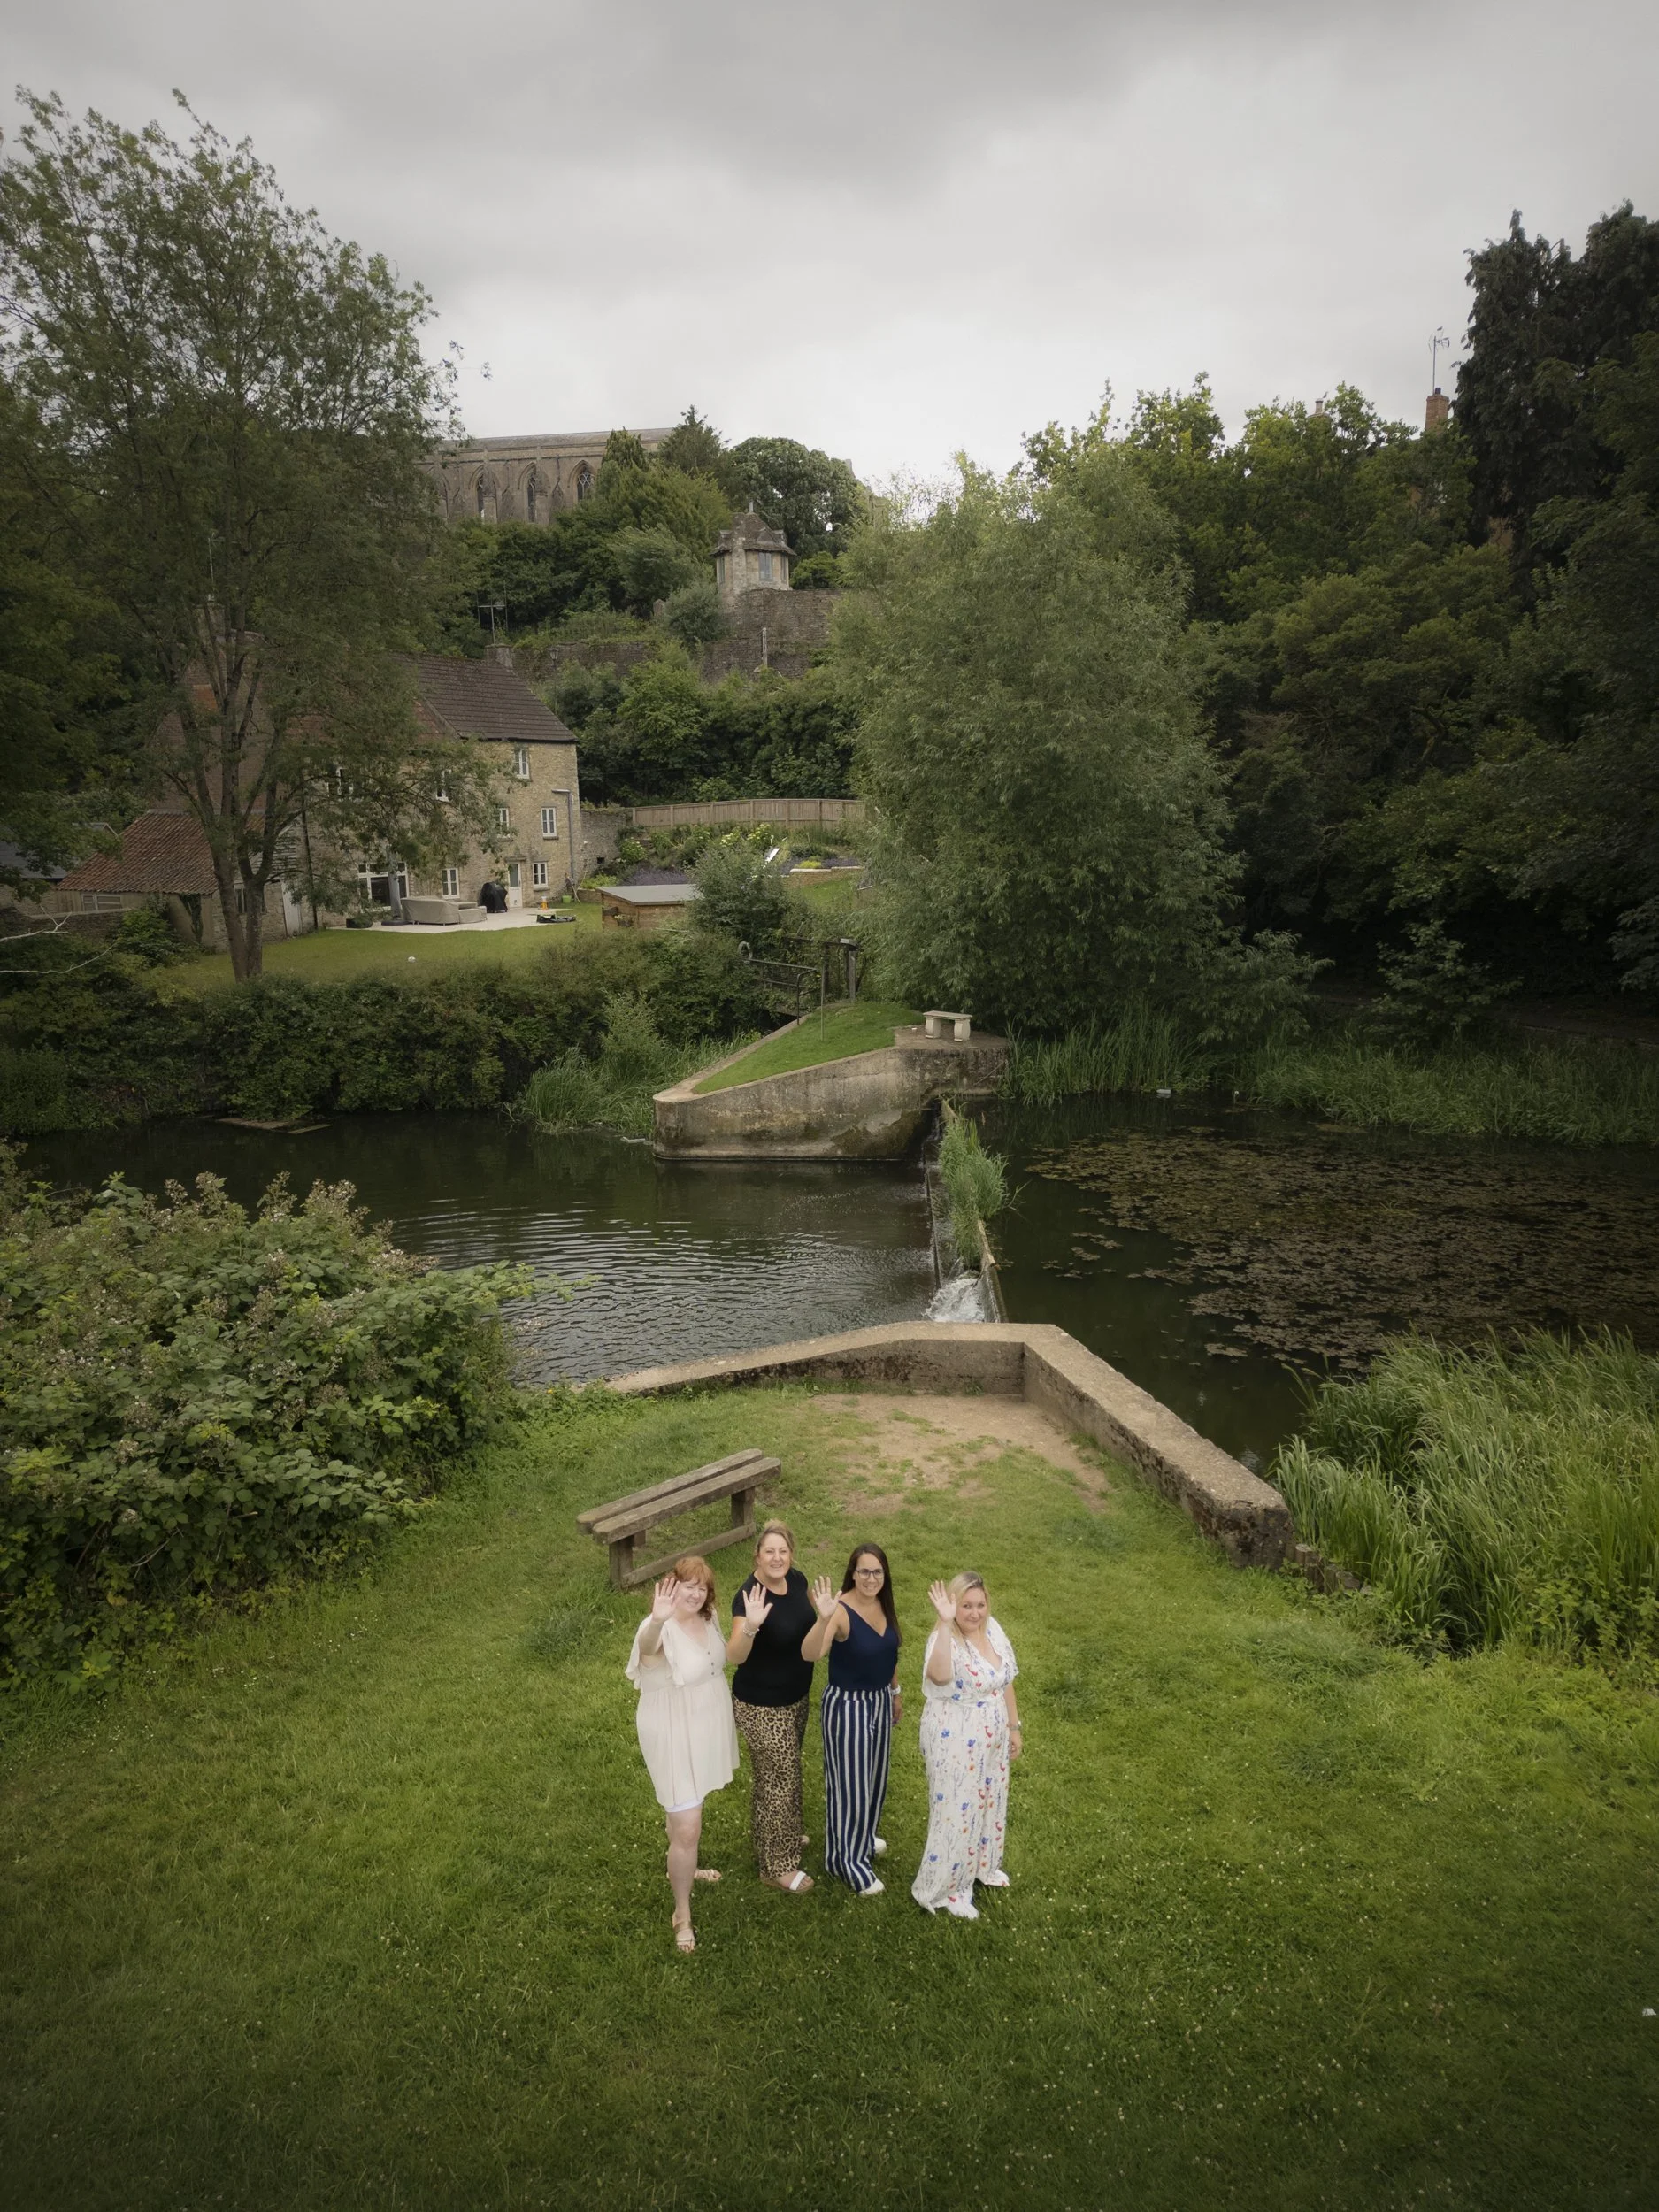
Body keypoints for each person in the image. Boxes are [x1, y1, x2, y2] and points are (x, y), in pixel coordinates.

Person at [626, 1556, 752, 1953]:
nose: (696, 1593)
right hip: (671, 1730)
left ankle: (688, 1865)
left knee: (685, 1813)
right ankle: (682, 1912)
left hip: (705, 1724)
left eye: (702, 1587)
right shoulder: (656, 1627)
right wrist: (659, 1620)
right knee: (687, 1826)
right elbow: (648, 1651)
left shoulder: (709, 1618)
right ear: (672, 1586)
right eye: (688, 1585)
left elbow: (726, 1659)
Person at [912, 1571, 1022, 1921]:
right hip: (954, 1737)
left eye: (980, 1605)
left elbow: (1005, 1681)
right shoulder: (943, 1638)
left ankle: (982, 1867)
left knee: (990, 1799)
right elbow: (940, 1676)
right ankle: (945, 1890)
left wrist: (1014, 1727)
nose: (974, 1613)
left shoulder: (994, 1630)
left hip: (993, 1734)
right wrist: (945, 1625)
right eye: (965, 1606)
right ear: (952, 1606)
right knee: (957, 1810)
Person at [803, 1541, 902, 1897]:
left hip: (878, 1701)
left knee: (874, 1778)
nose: (871, 1578)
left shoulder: (884, 1604)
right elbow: (811, 1652)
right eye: (864, 1571)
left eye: (877, 1571)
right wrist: (824, 1617)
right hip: (848, 1706)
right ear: (853, 1573)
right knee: (850, 1786)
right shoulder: (841, 1610)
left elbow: (890, 1650)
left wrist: (895, 1692)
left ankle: (860, 1838)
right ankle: (845, 1861)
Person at [728, 1520, 818, 1893]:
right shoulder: (748, 1597)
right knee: (778, 1780)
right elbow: (734, 1655)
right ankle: (776, 1866)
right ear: (757, 1556)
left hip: (795, 1698)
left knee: (784, 1772)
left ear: (791, 1554)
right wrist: (750, 1626)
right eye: (769, 1551)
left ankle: (783, 1833)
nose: (777, 1558)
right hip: (761, 1705)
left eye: (783, 1551)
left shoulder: (796, 1580)